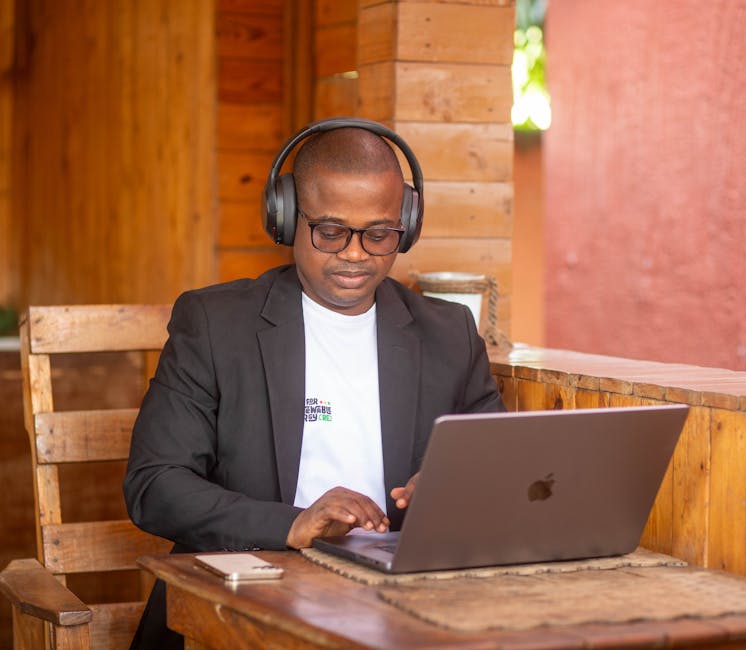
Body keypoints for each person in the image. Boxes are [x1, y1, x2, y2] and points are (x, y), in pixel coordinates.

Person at [123, 118, 505, 647]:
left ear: (407, 226)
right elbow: (156, 486)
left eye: (379, 234)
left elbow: (500, 466)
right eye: (330, 231)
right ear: (284, 218)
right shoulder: (215, 324)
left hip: (401, 606)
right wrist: (292, 524)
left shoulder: (448, 334)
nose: (354, 253)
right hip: (245, 601)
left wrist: (453, 488)